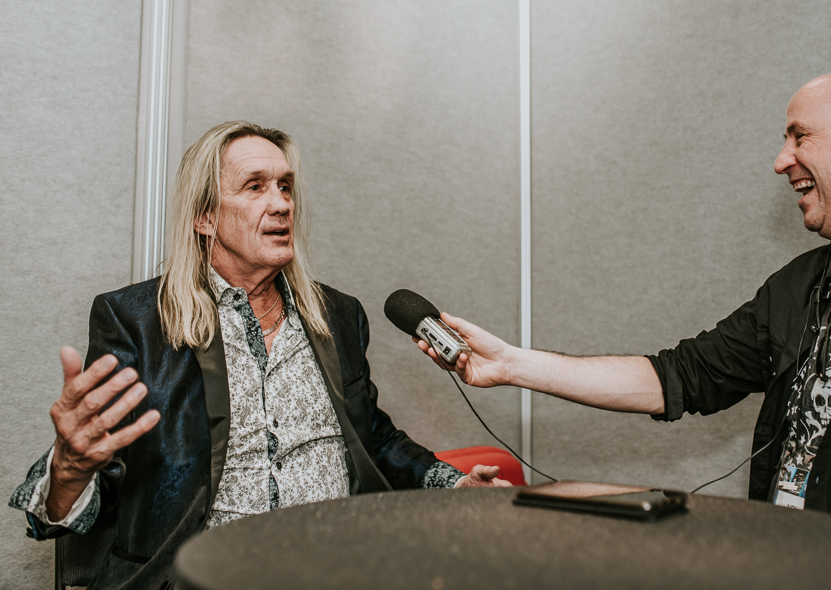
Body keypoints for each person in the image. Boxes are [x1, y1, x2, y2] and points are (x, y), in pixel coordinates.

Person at [414, 69, 831, 590]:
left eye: (800, 136)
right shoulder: (800, 285)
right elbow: (679, 376)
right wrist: (509, 363)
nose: (781, 160)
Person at [9, 121, 510, 590]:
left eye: (285, 187)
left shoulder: (338, 315)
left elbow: (372, 437)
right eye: (255, 187)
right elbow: (90, 476)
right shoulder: (137, 321)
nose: (281, 204)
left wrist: (453, 485)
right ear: (205, 216)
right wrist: (69, 468)